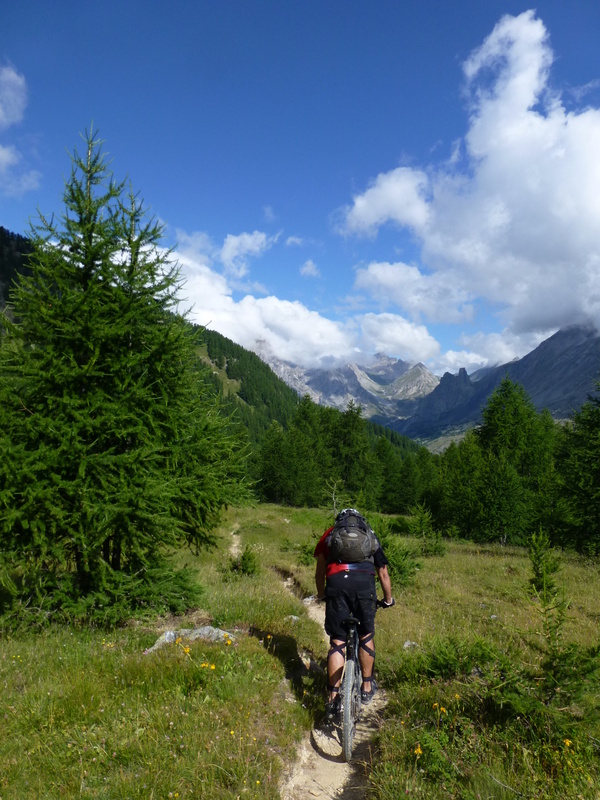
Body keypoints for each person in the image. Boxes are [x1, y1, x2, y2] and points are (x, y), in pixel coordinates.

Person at [314, 508, 394, 720]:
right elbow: (383, 572)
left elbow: (320, 571)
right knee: (366, 636)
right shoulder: (369, 534)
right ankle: (366, 687)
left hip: (337, 586)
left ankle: (332, 699)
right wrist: (388, 600)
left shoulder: (330, 535)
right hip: (364, 586)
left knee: (337, 642)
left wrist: (322, 594)